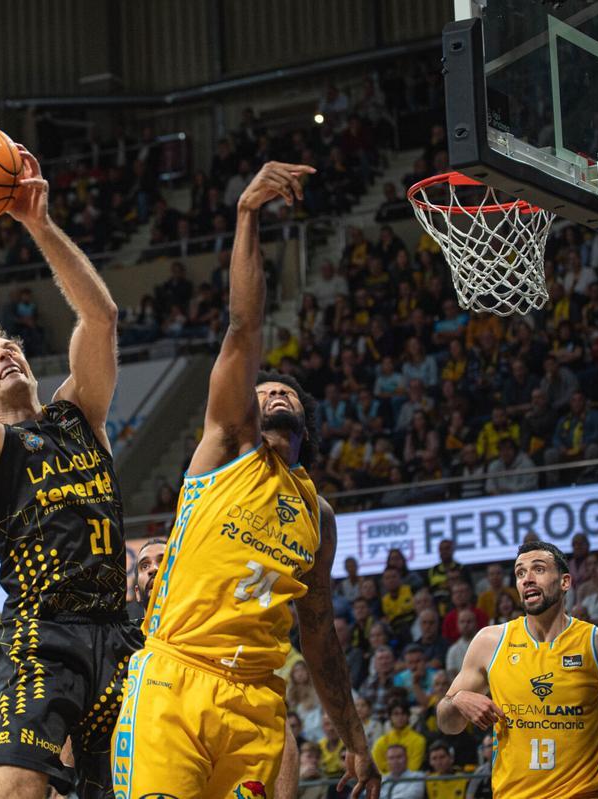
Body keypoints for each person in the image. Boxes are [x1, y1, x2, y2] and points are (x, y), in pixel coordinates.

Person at [111, 162, 379, 799]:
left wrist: (353, 734)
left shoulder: (317, 514)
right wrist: (247, 215)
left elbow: (319, 630)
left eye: (287, 392)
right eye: (264, 390)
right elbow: (244, 328)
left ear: (306, 420)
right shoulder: (229, 447)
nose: (275, 393)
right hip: (177, 677)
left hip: (256, 703)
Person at [0, 154, 144, 799]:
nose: (4, 356)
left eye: (10, 348)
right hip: (41, 637)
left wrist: (39, 225)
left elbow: (101, 319)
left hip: (119, 634)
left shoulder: (80, 416)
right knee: (16, 785)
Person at [437, 541, 598, 799]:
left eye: (538, 569)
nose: (527, 578)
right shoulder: (489, 643)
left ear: (565, 582)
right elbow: (448, 724)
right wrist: (456, 700)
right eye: (520, 572)